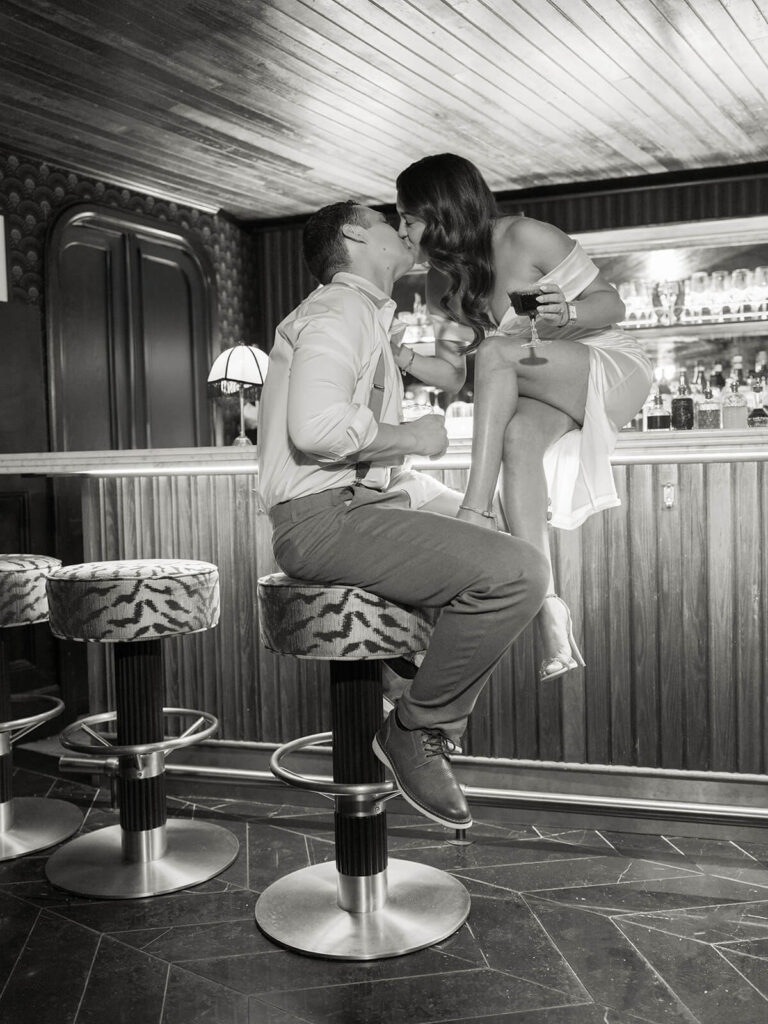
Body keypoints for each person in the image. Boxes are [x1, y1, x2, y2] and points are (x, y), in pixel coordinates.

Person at [257, 200, 549, 830]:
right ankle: (416, 729)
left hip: (353, 503)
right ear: (355, 236)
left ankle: (401, 674)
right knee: (519, 572)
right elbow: (316, 429)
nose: (403, 231)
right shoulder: (341, 308)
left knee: (493, 537)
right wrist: (418, 437)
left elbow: (391, 429)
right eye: (389, 223)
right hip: (323, 518)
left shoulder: (365, 315)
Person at [393, 154, 653, 682]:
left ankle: (475, 514)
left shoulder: (525, 236)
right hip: (541, 371)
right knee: (515, 437)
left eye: (409, 219)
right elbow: (456, 374)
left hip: (608, 362)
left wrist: (569, 314)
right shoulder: (440, 282)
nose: (403, 232)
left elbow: (613, 304)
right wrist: (402, 357)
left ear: (442, 211)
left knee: (496, 354)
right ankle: (548, 605)